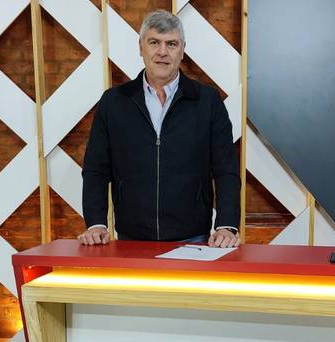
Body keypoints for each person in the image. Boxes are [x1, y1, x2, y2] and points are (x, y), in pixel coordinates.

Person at [78, 9, 241, 248]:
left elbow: (226, 169)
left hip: (193, 238)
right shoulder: (114, 102)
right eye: (154, 42)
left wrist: (226, 225)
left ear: (182, 50)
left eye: (171, 44)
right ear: (141, 47)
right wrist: (96, 223)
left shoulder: (207, 101)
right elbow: (95, 169)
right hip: (130, 239)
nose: (162, 52)